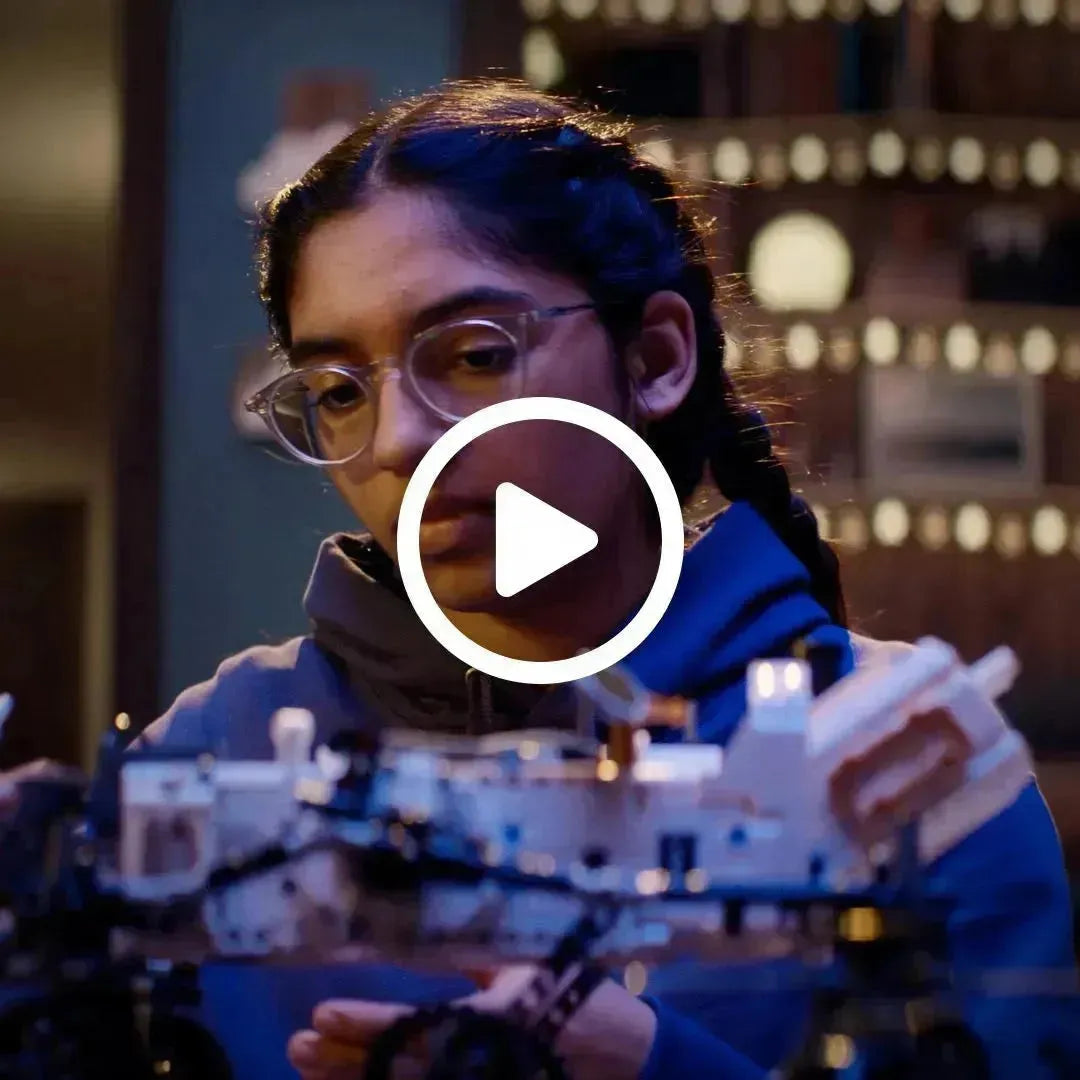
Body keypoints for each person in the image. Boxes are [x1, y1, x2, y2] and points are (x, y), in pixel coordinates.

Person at [36, 80, 1080, 1077]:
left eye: (475, 355)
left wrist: (655, 1065)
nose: (397, 441)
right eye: (340, 391)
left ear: (657, 357)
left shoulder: (909, 763)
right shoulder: (210, 756)